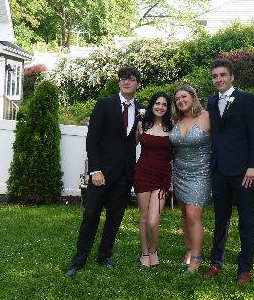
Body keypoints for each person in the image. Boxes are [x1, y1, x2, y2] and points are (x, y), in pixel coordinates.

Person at [65, 66, 143, 277]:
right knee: (91, 215)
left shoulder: (141, 109)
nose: (126, 82)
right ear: (119, 82)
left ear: (138, 84)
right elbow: (92, 139)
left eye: (131, 79)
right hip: (102, 174)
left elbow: (134, 140)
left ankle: (104, 256)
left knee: (115, 218)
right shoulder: (104, 104)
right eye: (123, 78)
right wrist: (95, 170)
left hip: (125, 174)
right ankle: (79, 260)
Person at [204, 57, 254, 285]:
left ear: (231, 77)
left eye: (223, 75)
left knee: (246, 221)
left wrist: (253, 166)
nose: (218, 79)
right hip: (219, 170)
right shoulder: (211, 101)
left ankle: (244, 269)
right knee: (221, 218)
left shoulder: (245, 99)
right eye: (215, 76)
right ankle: (216, 263)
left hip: (243, 171)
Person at [169, 84, 211, 276]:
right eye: (177, 99)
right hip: (180, 173)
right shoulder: (175, 120)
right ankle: (188, 250)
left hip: (201, 174)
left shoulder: (206, 116)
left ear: (193, 97)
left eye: (184, 96)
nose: (180, 101)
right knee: (185, 215)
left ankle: (196, 259)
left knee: (193, 216)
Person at [133, 92, 173, 267]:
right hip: (142, 174)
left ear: (168, 108)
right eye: (157, 103)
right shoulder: (142, 124)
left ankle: (153, 250)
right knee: (143, 217)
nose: (160, 107)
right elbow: (129, 144)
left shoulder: (172, 127)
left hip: (162, 176)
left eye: (164, 104)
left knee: (153, 220)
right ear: (152, 105)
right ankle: (144, 252)